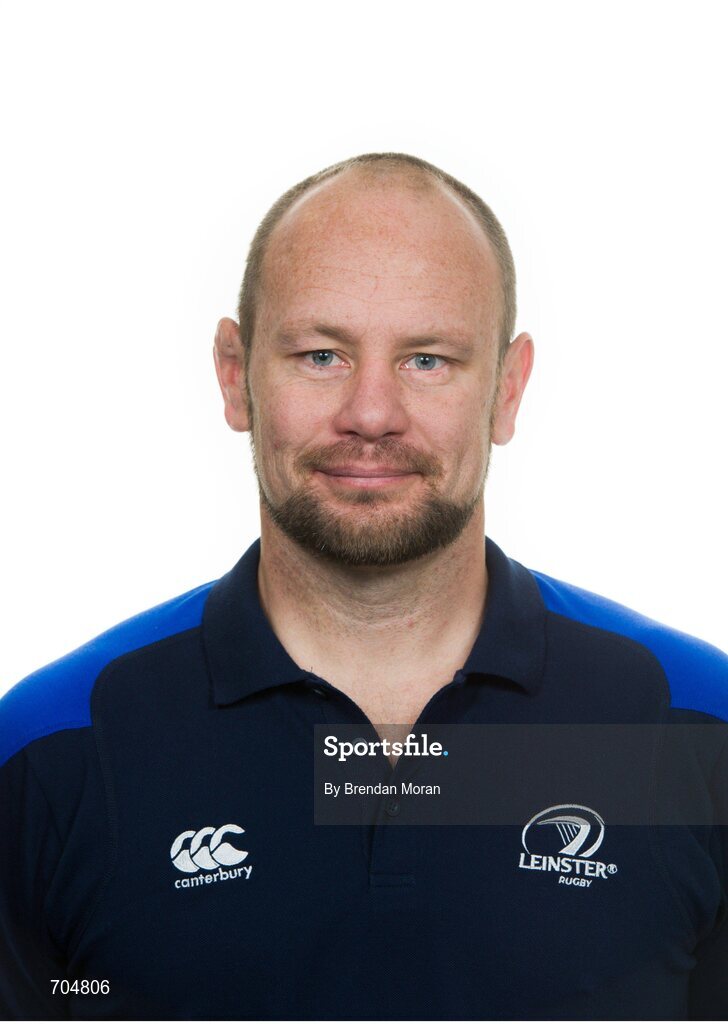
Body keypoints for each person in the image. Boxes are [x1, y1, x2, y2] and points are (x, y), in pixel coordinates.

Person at [1, 152, 726, 1021]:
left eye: (427, 360)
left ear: (507, 387)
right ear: (235, 376)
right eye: (320, 355)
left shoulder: (694, 730)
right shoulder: (52, 750)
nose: (372, 413)